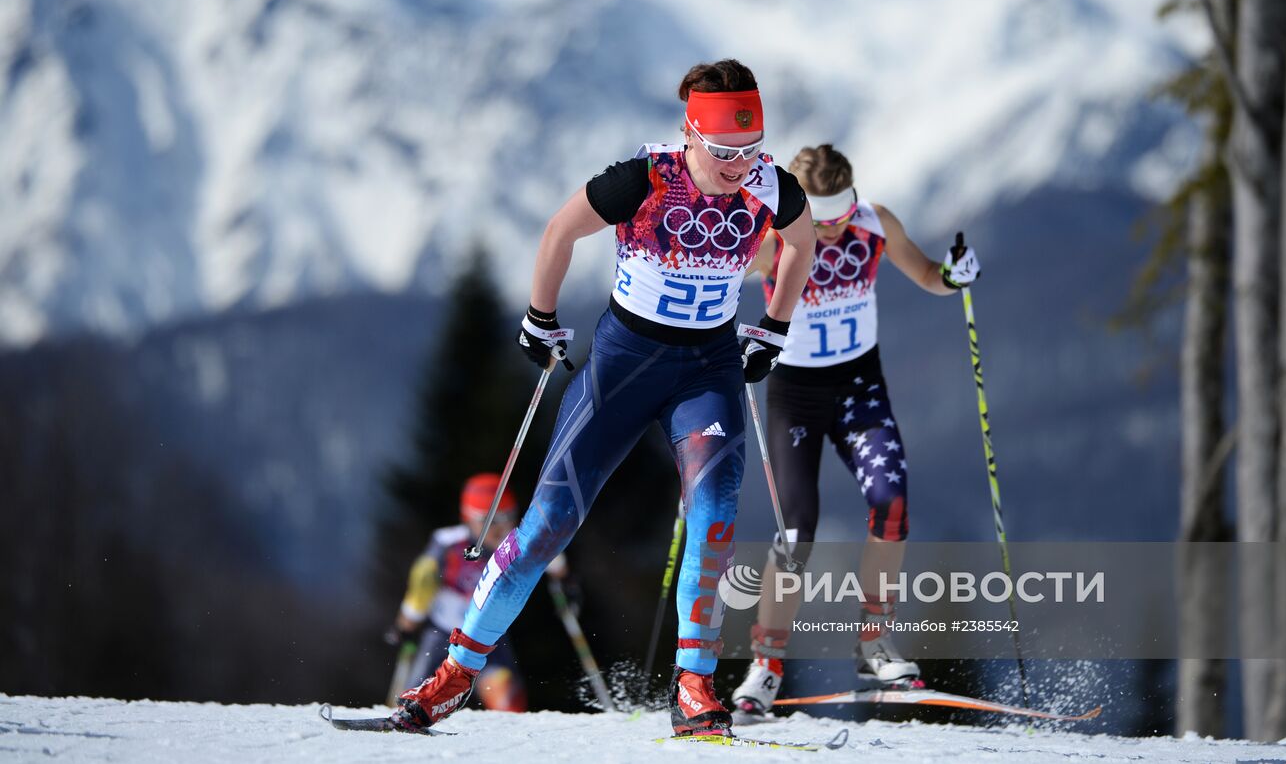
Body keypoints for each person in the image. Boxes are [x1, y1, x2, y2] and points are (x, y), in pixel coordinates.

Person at [390, 59, 816, 736]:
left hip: (705, 369)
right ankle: (454, 675)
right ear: (690, 133)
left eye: (751, 150)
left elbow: (803, 241)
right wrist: (539, 315)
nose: (739, 165)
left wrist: (774, 326)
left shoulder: (772, 186)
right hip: (623, 365)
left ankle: (695, 686)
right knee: (547, 522)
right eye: (723, 151)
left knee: (714, 514)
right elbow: (561, 230)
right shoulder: (645, 178)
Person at [730, 144, 980, 717]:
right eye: (821, 221)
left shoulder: (875, 221)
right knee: (798, 533)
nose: (835, 230)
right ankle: (766, 664)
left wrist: (953, 275)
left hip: (859, 389)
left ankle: (873, 642)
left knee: (891, 505)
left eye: (841, 216)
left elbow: (926, 275)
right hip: (795, 394)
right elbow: (719, 271)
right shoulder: (773, 237)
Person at [387, 474, 535, 712]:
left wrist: (565, 579)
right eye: (489, 520)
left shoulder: (515, 544)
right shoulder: (449, 543)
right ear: (469, 519)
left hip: (488, 636)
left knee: (507, 697)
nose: (500, 528)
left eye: (508, 516)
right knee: (411, 699)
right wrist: (408, 622)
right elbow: (423, 579)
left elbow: (547, 551)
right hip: (442, 635)